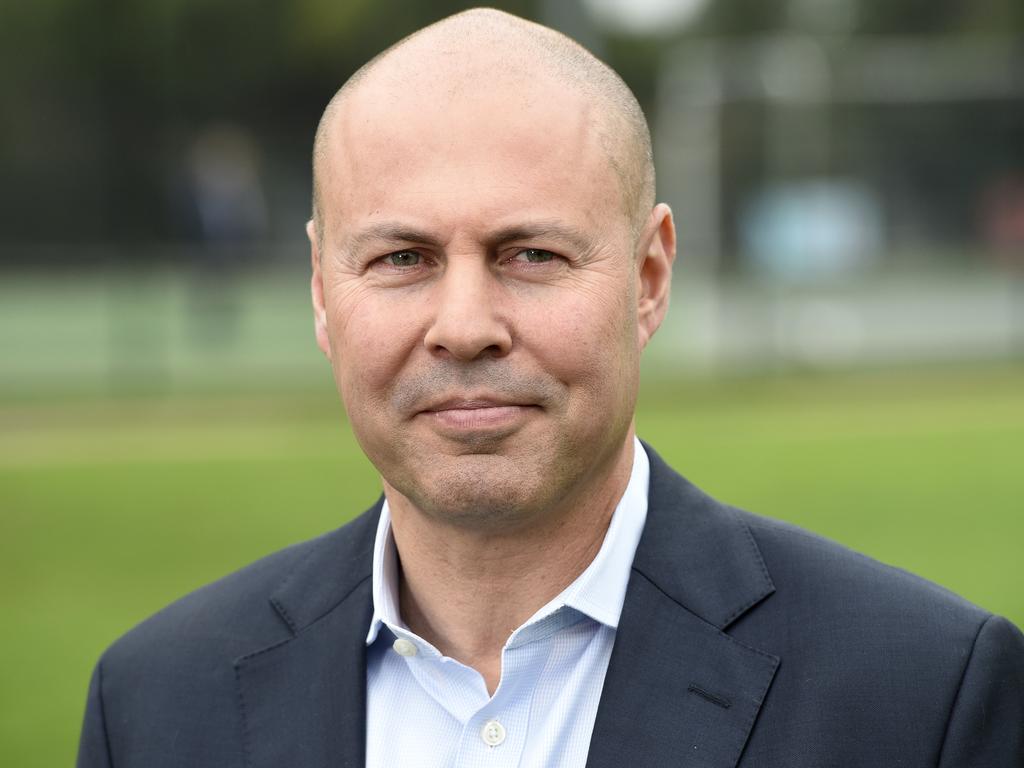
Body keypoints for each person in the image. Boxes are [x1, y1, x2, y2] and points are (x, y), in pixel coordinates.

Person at [77, 9, 1024, 768]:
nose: (464, 325)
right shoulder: (157, 702)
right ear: (325, 294)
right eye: (403, 258)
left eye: (531, 254)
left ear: (649, 279)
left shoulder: (923, 698)